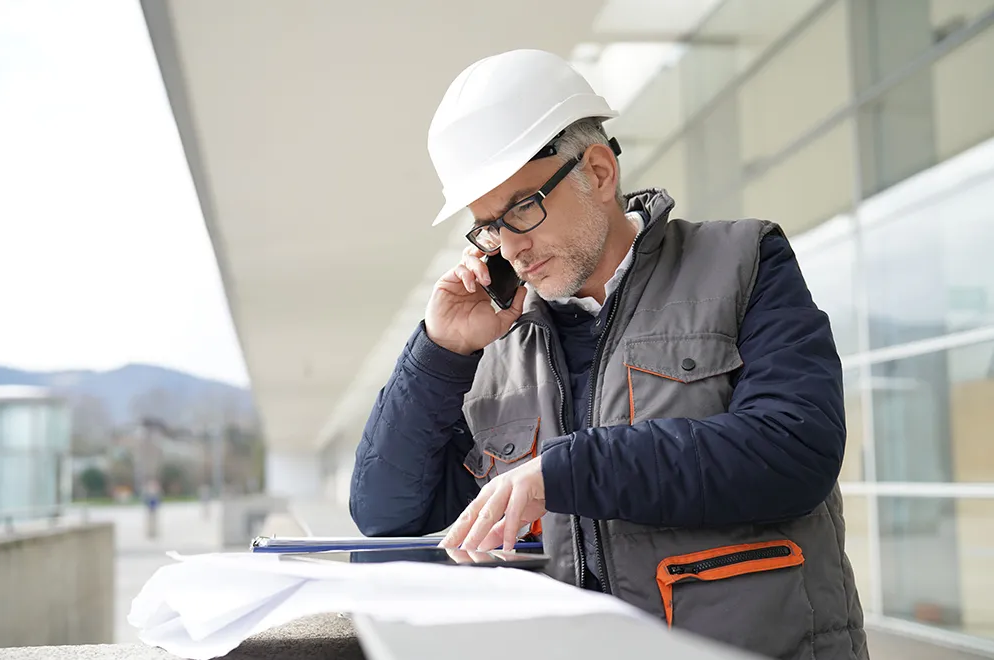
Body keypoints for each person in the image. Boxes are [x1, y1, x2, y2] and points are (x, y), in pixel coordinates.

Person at [349, 49, 868, 660]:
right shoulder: (493, 346)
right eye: (489, 225)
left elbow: (794, 450)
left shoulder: (744, 261)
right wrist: (439, 351)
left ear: (597, 171)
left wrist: (567, 472)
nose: (510, 248)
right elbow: (385, 515)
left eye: (522, 207)